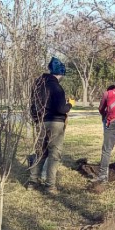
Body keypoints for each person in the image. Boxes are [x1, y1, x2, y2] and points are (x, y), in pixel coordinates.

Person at [27, 57, 72, 194]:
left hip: (40, 122)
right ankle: (50, 186)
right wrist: (70, 104)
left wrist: (37, 120)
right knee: (54, 154)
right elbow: (61, 109)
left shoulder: (37, 85)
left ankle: (32, 182)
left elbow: (32, 106)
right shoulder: (56, 87)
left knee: (40, 152)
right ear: (60, 74)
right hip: (55, 123)